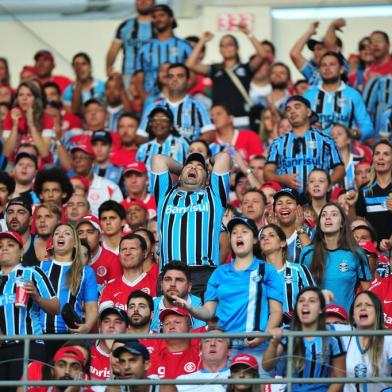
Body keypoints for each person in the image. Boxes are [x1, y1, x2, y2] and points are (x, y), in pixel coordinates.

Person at [173, 216, 283, 371]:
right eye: (234, 232)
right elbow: (208, 311)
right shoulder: (219, 273)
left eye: (244, 232)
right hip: (225, 348)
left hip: (257, 346)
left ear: (254, 240)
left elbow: (276, 312)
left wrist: (264, 335)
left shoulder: (267, 270)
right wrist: (189, 307)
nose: (238, 235)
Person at [152, 151, 231, 296]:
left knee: (200, 318)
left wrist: (208, 161)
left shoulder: (214, 196)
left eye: (199, 167)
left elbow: (224, 157)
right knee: (168, 318)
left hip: (203, 273)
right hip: (168, 274)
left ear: (207, 177)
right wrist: (183, 168)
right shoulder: (165, 195)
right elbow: (158, 159)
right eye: (190, 165)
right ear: (180, 175)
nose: (194, 168)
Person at [0, 230, 59, 388]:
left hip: (29, 344)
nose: (4, 248)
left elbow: (56, 307)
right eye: (0, 246)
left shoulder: (33, 272)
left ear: (21, 251)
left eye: (10, 245)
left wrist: (37, 297)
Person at [263, 287, 346, 392]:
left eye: (312, 301)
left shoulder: (332, 335)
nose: (305, 304)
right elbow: (266, 366)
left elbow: (340, 378)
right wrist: (274, 343)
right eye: (301, 300)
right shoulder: (287, 331)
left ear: (321, 309)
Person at [186, 26, 267, 128]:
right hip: (219, 121)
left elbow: (263, 55)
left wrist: (249, 34)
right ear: (220, 50)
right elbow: (190, 64)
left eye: (229, 44)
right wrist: (202, 41)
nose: (226, 48)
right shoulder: (215, 69)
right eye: (222, 45)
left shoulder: (246, 68)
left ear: (237, 48)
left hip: (241, 120)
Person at [40, 223, 98, 359]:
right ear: (53, 242)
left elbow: (91, 307)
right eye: (57, 233)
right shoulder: (40, 267)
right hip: (40, 335)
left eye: (67, 233)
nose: (61, 235)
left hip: (70, 335)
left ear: (75, 244)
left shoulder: (86, 272)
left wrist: (87, 326)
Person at [299, 202, 372, 312]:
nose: (328, 217)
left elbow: (368, 292)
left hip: (347, 323)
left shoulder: (356, 253)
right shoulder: (307, 253)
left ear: (342, 223)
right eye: (323, 215)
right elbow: (301, 291)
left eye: (334, 214)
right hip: (316, 323)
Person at [264, 95, 345, 194]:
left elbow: (340, 169)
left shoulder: (326, 140)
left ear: (308, 112)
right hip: (289, 201)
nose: (292, 111)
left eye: (297, 107)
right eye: (288, 109)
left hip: (319, 201)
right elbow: (267, 173)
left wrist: (325, 184)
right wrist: (282, 178)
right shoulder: (277, 143)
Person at [304, 51, 374, 140]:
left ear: (341, 69)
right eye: (323, 65)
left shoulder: (353, 95)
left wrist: (352, 133)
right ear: (319, 70)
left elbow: (368, 127)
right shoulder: (308, 96)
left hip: (344, 151)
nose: (327, 68)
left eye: (332, 64)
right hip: (316, 150)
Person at [137, 63, 215, 142]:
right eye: (171, 76)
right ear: (167, 80)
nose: (174, 79)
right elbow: (141, 136)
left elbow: (209, 133)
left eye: (180, 76)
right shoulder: (153, 108)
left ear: (188, 80)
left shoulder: (198, 106)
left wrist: (191, 148)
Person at [134, 4, 192, 101]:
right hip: (152, 101)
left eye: (162, 15)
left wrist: (179, 97)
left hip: (179, 100)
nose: (158, 19)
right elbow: (138, 80)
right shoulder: (144, 49)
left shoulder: (184, 46)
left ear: (171, 19)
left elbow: (193, 76)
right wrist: (147, 100)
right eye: (154, 17)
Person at [259, 223, 315, 322]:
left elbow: (314, 298)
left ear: (283, 243)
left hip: (294, 330)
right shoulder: (256, 274)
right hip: (264, 333)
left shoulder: (299, 270)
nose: (266, 239)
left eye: (271, 235)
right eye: (262, 237)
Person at [343, 291, 392, 391]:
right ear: (353, 315)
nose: (362, 308)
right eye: (358, 305)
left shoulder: (388, 338)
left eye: (368, 305)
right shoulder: (343, 335)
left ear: (377, 312)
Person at [99, 233, 157, 311]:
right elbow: (107, 319)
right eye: (123, 249)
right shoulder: (109, 287)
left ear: (144, 253)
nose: (127, 253)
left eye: (132, 248)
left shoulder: (156, 284)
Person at [106, 0, 155, 87]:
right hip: (129, 76)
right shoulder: (125, 26)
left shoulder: (159, 25)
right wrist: (108, 69)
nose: (143, 1)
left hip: (154, 76)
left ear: (154, 2)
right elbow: (113, 50)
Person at [2, 81, 54, 160]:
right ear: (17, 99)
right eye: (21, 95)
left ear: (36, 99)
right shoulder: (10, 116)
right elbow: (7, 153)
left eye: (29, 95)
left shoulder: (46, 117)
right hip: (16, 163)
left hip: (40, 163)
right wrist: (15, 126)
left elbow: (44, 153)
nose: (24, 98)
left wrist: (32, 125)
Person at [353, 141, 392, 242]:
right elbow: (358, 225)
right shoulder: (365, 190)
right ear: (373, 158)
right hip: (372, 252)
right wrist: (351, 205)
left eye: (386, 154)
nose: (381, 157)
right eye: (377, 153)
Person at [69, 144, 123, 216]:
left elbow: (119, 215)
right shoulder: (67, 186)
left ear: (93, 161)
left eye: (82, 157)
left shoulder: (110, 187)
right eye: (75, 158)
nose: (78, 160)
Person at [151, 261, 205, 332]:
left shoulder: (201, 307)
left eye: (179, 280)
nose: (172, 284)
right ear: (161, 285)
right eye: (168, 279)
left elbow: (198, 340)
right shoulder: (151, 305)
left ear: (189, 286)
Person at [148, 307, 201, 379]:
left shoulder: (201, 357)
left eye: (177, 322)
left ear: (190, 329)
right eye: (166, 324)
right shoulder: (152, 359)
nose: (171, 327)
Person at [176, 328, 231, 392]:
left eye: (219, 340)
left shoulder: (239, 379)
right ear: (200, 350)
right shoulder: (183, 381)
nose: (212, 344)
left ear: (228, 351)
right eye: (207, 341)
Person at [136, 106, 189, 172]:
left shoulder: (183, 144)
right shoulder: (143, 148)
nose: (158, 123)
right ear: (150, 124)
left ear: (171, 125)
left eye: (163, 120)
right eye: (154, 120)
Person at [76, 214, 122, 289]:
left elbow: (116, 292)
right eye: (80, 233)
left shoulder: (112, 260)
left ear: (99, 236)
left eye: (90, 232)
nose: (84, 236)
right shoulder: (69, 259)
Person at [21, 345, 90, 392]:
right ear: (52, 370)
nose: (67, 371)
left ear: (82, 373)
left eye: (75, 367)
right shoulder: (39, 389)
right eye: (61, 365)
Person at [271, 188, 312, 263]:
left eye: (289, 203)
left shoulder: (311, 233)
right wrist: (272, 230)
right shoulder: (265, 235)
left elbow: (312, 261)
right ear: (274, 211)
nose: (284, 206)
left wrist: (300, 228)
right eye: (279, 203)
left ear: (298, 208)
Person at [90, 307, 129, 382]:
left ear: (127, 330)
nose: (111, 325)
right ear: (99, 328)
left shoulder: (133, 357)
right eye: (106, 321)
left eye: (117, 322)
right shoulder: (87, 353)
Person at [5, 196, 39, 266]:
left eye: (21, 212)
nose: (14, 216)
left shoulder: (40, 244)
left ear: (30, 220)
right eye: (10, 212)